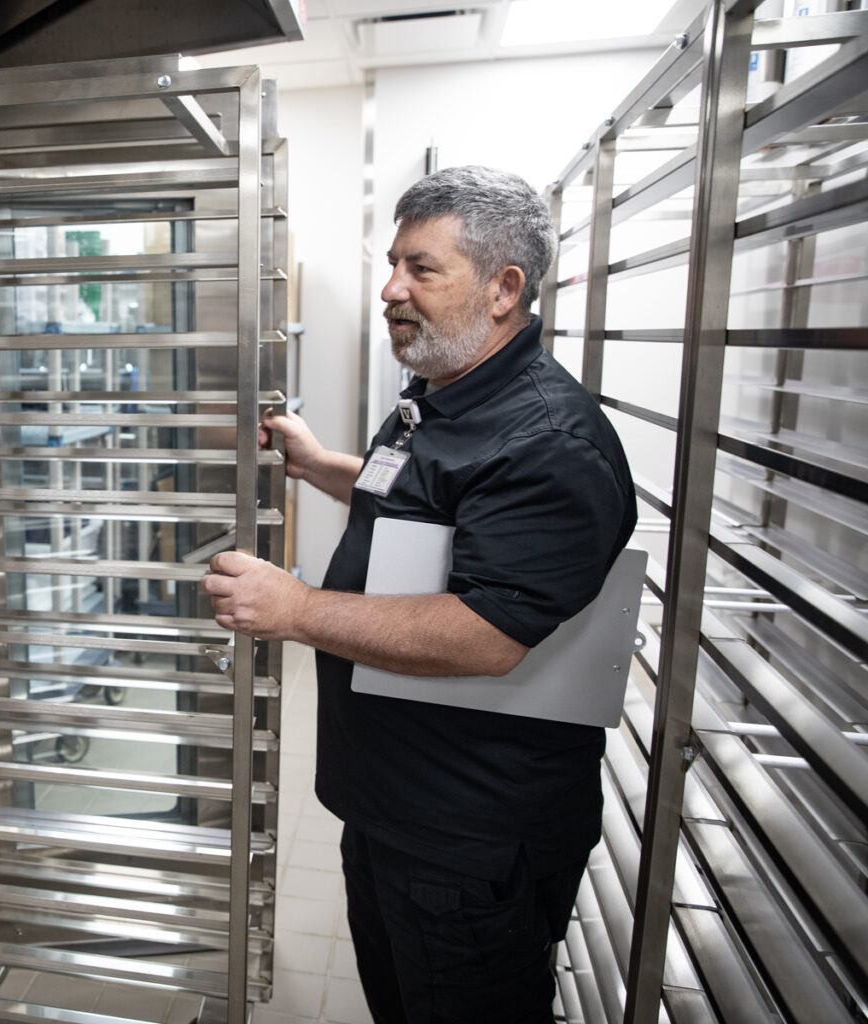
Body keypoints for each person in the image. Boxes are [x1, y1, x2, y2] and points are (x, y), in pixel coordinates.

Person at [201, 165, 636, 1023]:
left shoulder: (548, 443)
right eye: (393, 264)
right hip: (401, 806)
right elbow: (438, 507)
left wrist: (294, 610)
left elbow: (487, 631)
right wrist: (323, 466)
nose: (391, 290)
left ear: (505, 288)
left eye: (422, 269)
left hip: (469, 839)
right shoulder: (447, 397)